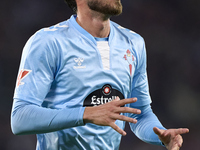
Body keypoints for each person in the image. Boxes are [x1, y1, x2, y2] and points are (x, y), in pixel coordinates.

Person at [11, 0, 189, 149]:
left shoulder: (134, 43)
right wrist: (86, 114)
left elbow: (140, 114)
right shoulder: (48, 42)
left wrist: (161, 134)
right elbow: (20, 118)